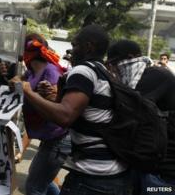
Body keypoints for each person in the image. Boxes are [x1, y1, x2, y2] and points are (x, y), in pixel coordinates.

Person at [11, 25, 131, 195]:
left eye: (75, 45)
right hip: (109, 173)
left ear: (88, 46)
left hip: (92, 174)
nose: (71, 50)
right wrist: (53, 97)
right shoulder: (103, 71)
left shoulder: (83, 71)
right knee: (40, 182)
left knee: (35, 187)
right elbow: (84, 109)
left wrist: (29, 92)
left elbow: (65, 116)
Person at [106, 40, 175, 195]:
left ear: (130, 58)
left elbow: (131, 110)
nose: (114, 69)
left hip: (164, 172)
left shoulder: (156, 75)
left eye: (115, 63)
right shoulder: (140, 77)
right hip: (146, 163)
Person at [16, 34, 70, 195]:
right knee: (41, 180)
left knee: (34, 187)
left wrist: (34, 92)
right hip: (49, 138)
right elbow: (20, 81)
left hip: (58, 138)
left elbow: (57, 104)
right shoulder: (31, 73)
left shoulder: (51, 71)